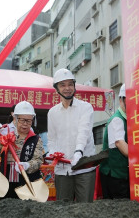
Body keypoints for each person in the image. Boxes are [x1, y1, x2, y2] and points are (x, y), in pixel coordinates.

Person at [47, 68, 96, 203]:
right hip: (63, 170)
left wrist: (78, 152)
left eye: (70, 84)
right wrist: (52, 152)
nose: (67, 88)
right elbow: (51, 139)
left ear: (74, 86)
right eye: (62, 85)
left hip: (84, 168)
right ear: (56, 88)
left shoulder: (86, 108)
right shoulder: (52, 113)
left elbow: (83, 132)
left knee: (84, 208)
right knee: (63, 209)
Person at [0, 101, 44, 198]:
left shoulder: (36, 140)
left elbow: (38, 160)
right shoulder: (6, 138)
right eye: (22, 120)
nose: (25, 124)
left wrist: (28, 165)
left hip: (27, 182)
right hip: (6, 181)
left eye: (28, 121)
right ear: (15, 119)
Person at [99, 84, 129, 199]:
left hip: (122, 175)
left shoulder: (127, 119)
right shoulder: (117, 119)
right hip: (114, 176)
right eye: (129, 100)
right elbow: (120, 143)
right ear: (121, 99)